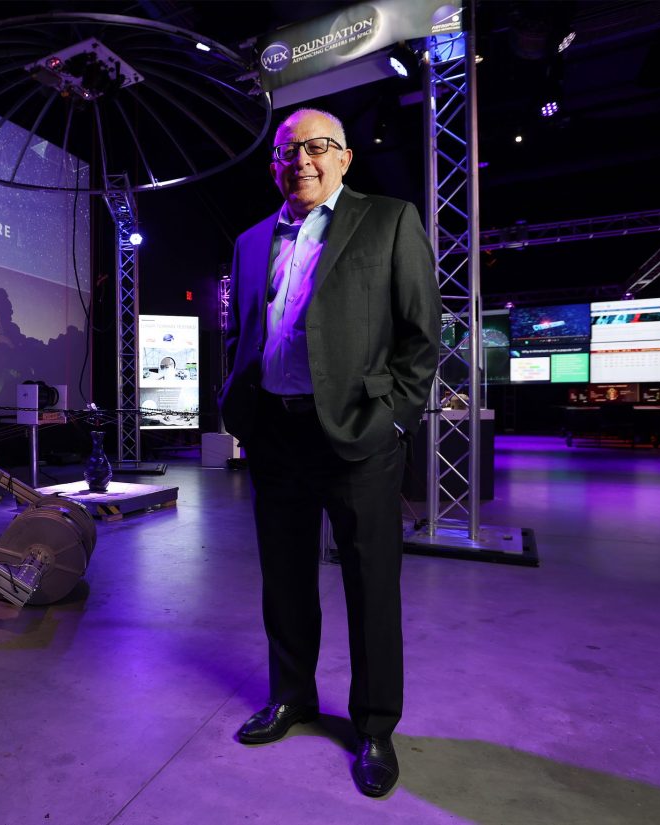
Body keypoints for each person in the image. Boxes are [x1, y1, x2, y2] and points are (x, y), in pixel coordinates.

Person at [218, 108, 440, 797]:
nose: (302, 161)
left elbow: (420, 336)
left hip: (355, 435)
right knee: (283, 579)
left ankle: (374, 724)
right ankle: (292, 696)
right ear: (274, 165)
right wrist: (243, 408)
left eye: (317, 148)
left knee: (369, 584)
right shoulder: (251, 240)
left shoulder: (389, 220)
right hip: (275, 433)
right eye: (288, 152)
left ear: (344, 157)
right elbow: (243, 334)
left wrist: (390, 419)